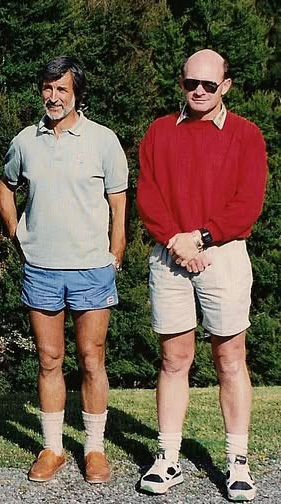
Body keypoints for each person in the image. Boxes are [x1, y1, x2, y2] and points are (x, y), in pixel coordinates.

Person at [136, 49, 267, 502]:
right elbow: (148, 197)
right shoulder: (158, 132)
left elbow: (248, 203)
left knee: (231, 359)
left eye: (209, 85)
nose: (199, 91)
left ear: (225, 86)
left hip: (224, 254)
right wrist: (179, 240)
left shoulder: (247, 135)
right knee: (174, 360)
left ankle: (238, 462)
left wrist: (202, 238)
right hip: (170, 254)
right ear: (182, 81)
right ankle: (167, 457)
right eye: (191, 82)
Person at [0, 56, 128, 484]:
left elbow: (118, 201)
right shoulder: (25, 141)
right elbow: (5, 186)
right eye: (47, 89)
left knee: (92, 359)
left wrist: (116, 250)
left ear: (76, 94)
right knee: (49, 359)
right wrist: (18, 234)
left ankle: (93, 449)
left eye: (62, 90)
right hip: (42, 269)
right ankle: (52, 448)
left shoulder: (104, 141)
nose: (53, 97)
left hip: (92, 267)